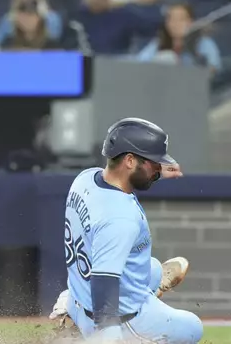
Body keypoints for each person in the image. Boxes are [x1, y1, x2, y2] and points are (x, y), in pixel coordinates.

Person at [51, 118, 203, 343]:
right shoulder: (120, 217)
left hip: (79, 293)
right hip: (115, 317)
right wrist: (107, 336)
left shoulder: (85, 179)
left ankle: (71, 303)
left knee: (148, 266)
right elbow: (104, 281)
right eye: (153, 163)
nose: (159, 169)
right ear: (130, 161)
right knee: (193, 328)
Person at [137, 3, 221, 74]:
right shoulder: (157, 43)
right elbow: (139, 65)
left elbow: (213, 70)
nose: (175, 24)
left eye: (180, 19)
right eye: (171, 19)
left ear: (190, 22)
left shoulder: (204, 43)